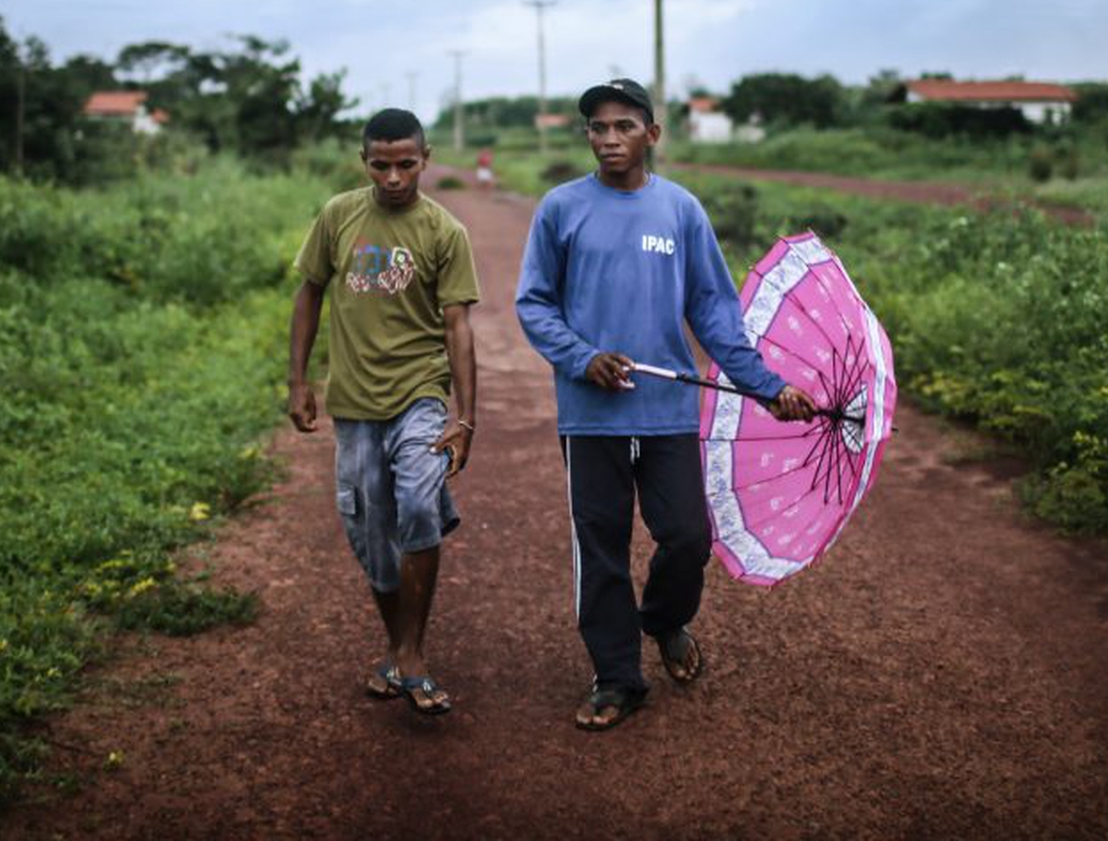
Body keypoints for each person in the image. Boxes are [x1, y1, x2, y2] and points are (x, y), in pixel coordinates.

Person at [515, 77, 813, 732]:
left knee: (686, 537)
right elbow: (533, 303)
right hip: (590, 417)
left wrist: (770, 387)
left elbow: (714, 312)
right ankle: (617, 678)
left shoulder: (680, 211)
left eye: (624, 126)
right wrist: (580, 357)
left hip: (669, 413)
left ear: (652, 134)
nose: (609, 139)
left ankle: (666, 619)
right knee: (602, 548)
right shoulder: (562, 208)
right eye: (598, 127)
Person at [289, 108, 480, 716]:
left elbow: (458, 327)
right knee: (369, 528)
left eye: (406, 164)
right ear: (364, 162)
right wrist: (297, 380)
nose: (394, 177)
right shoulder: (338, 216)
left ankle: (414, 654)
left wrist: (465, 416)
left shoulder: (444, 231)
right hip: (353, 401)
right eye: (381, 165)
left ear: (424, 159)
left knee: (419, 502)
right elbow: (310, 291)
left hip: (419, 393)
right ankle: (398, 649)